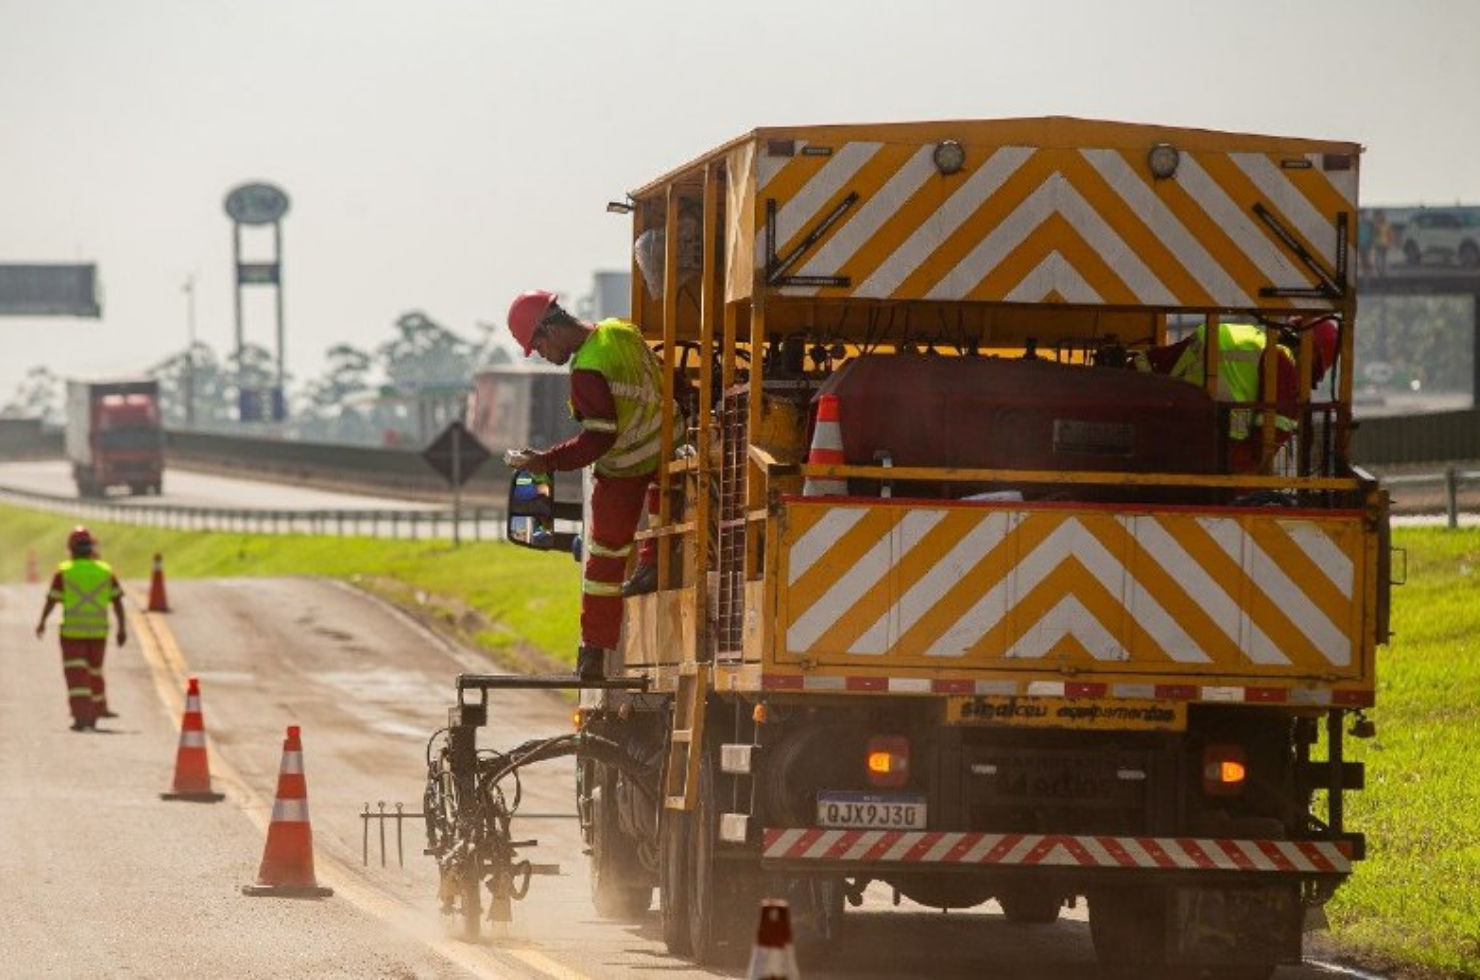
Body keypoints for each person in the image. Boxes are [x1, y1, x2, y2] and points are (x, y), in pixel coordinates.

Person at [503, 290, 679, 681]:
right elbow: (666, 379)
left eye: (539, 346)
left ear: (550, 328)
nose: (544, 356)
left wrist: (544, 461)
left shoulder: (586, 370)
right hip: (671, 449)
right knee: (668, 504)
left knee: (602, 558)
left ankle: (594, 653)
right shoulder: (621, 331)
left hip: (627, 465)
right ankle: (650, 560)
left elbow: (598, 440)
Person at [1139, 317, 1338, 473]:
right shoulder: (1281, 363)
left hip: (1165, 447)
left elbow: (1151, 367)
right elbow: (1271, 439)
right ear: (1309, 351)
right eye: (1312, 371)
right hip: (1223, 461)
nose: (1303, 381)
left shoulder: (1219, 332)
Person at [34, 526, 127, 731]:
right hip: (98, 633)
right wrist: (122, 629)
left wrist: (42, 622)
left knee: (77, 676)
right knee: (94, 672)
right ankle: (94, 714)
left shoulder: (64, 572)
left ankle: (81, 717)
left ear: (71, 549)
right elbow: (118, 601)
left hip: (72, 634)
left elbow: (52, 600)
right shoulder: (105, 571)